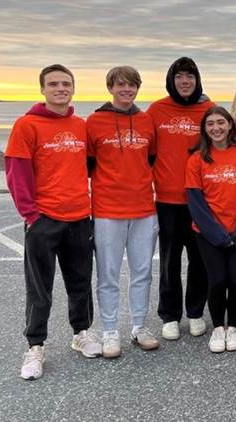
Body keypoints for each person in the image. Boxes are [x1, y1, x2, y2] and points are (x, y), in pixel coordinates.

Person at [5, 64, 101, 380]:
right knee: (39, 288)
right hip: (44, 219)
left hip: (79, 217)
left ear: (73, 88)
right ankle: (35, 346)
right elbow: (17, 172)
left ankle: (81, 333)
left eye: (66, 84)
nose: (60, 88)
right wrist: (30, 214)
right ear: (43, 89)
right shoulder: (26, 125)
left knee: (80, 282)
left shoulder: (80, 125)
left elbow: (89, 165)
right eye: (54, 84)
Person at [86, 66, 159, 358]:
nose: (126, 90)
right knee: (108, 274)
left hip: (143, 207)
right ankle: (110, 331)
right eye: (121, 85)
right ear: (110, 88)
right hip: (107, 209)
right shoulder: (93, 122)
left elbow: (150, 159)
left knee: (142, 271)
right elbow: (88, 164)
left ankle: (139, 326)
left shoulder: (146, 121)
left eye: (132, 85)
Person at [147, 56, 216, 341]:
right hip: (168, 200)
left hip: (201, 200)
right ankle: (170, 315)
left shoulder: (208, 109)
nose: (185, 82)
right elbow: (146, 152)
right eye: (179, 77)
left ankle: (196, 312)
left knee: (200, 259)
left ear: (197, 80)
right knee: (170, 260)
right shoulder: (157, 110)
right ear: (171, 81)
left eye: (189, 76)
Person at [186, 107, 236, 353]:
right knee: (217, 280)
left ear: (231, 125)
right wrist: (217, 234)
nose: (216, 128)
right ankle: (219, 327)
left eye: (221, 122)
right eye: (210, 124)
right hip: (209, 234)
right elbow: (195, 201)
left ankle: (233, 327)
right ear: (204, 129)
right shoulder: (197, 158)